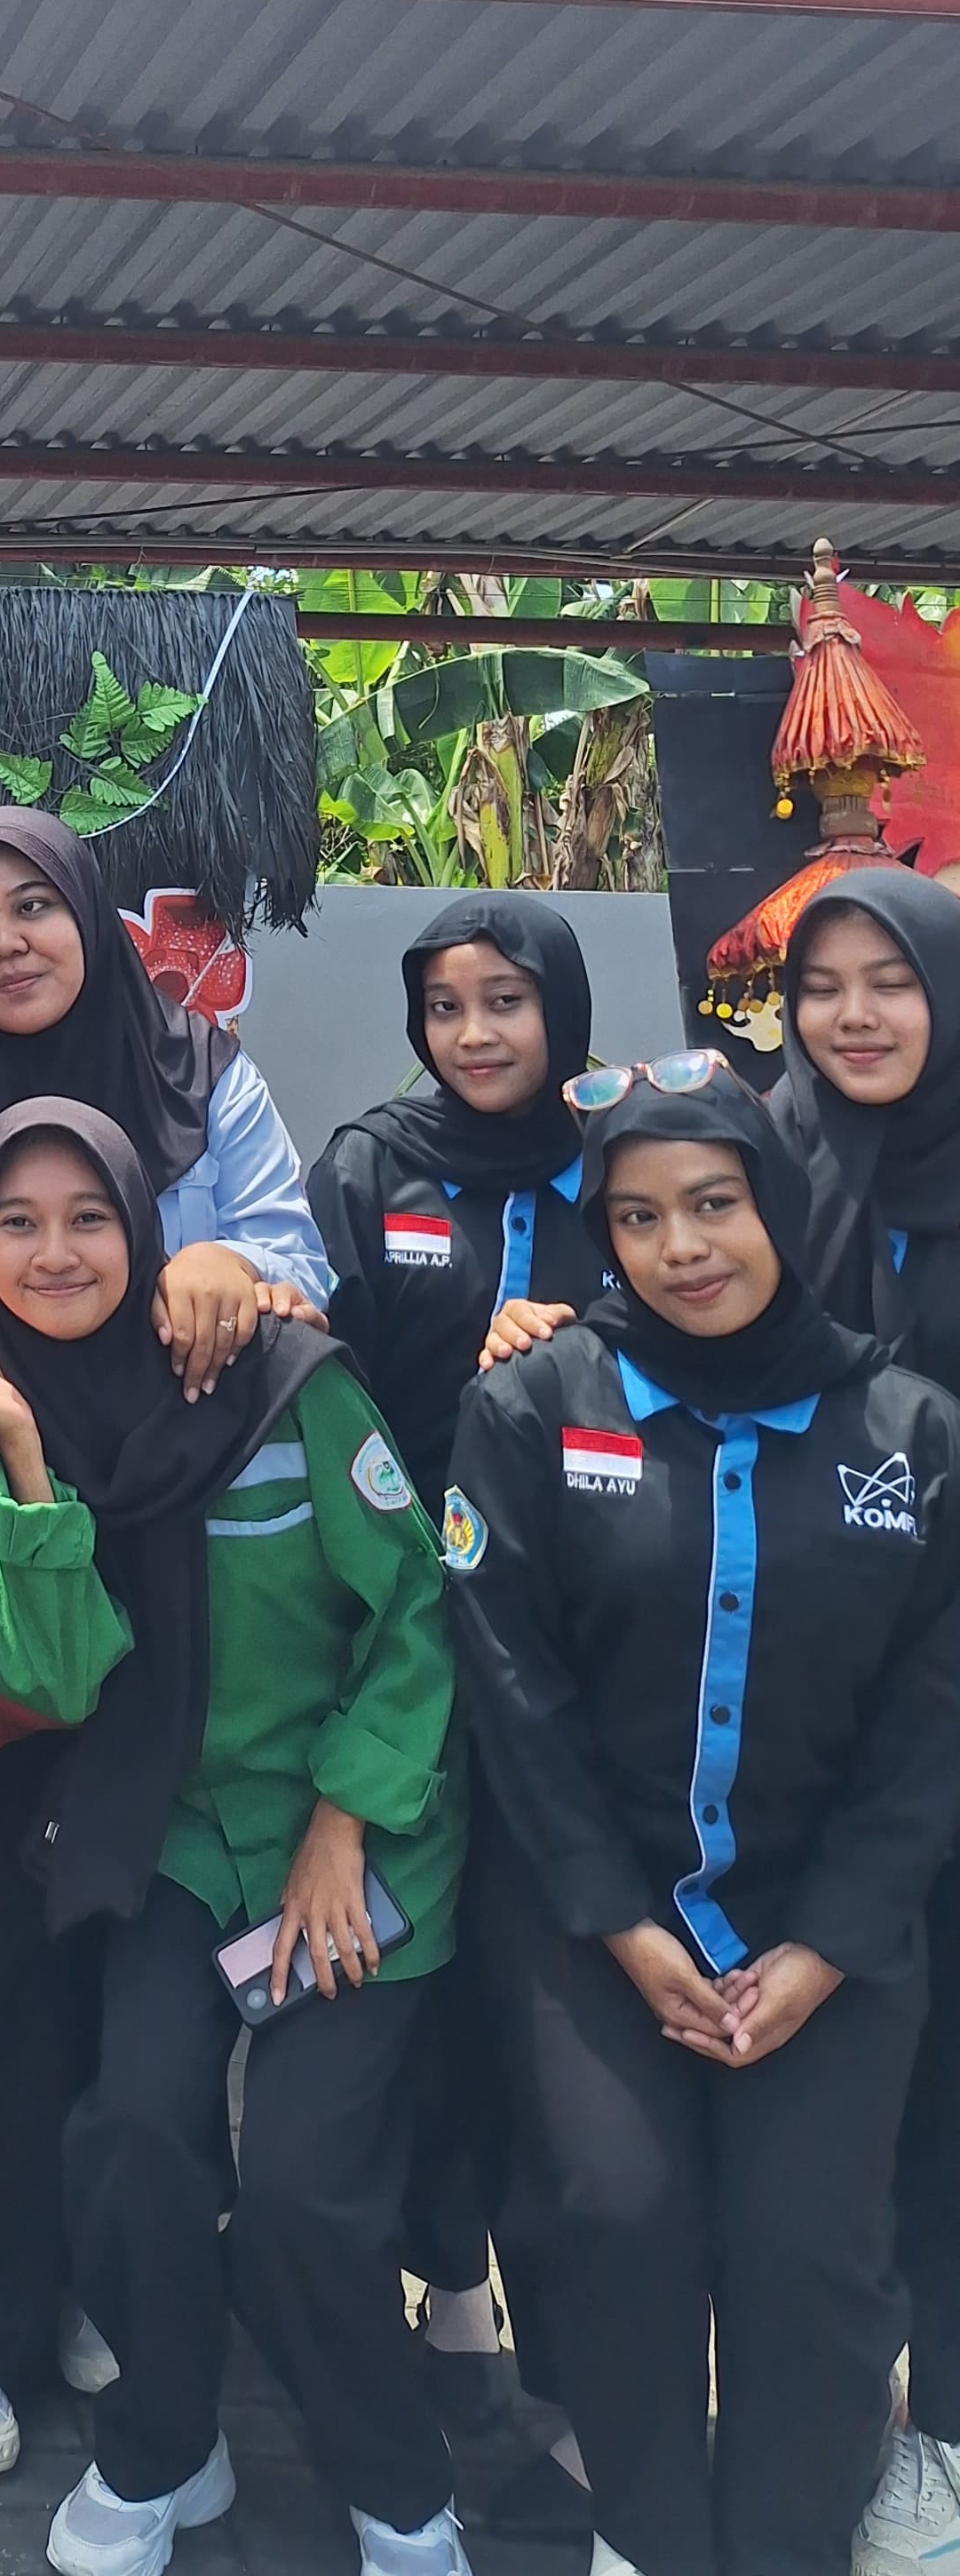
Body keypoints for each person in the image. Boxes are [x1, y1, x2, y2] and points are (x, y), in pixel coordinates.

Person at [0, 1101, 468, 2576]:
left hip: (358, 1842)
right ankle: (162, 2440)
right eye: (17, 1224)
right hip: (178, 1847)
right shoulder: (12, 1421)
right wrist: (23, 1465)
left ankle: (402, 2492)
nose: (56, 1253)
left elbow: (417, 1615)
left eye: (90, 1217)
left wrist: (344, 1822)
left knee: (305, 2194)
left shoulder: (282, 1376)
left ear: (145, 1227)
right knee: (131, 2135)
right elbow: (65, 1679)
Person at [0, 807, 327, 2473]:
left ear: (91, 916)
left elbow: (297, 1260)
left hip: (188, 1580)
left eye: (32, 905)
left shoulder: (201, 1071)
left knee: (146, 1949)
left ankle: (113, 2270)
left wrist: (234, 1259)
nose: (3, 944)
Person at [448, 1060, 960, 2576]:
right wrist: (620, 1922)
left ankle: (790, 2538)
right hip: (597, 1918)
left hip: (834, 1931)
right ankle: (649, 2533)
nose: (684, 1247)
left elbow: (932, 1724)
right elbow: (514, 1693)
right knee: (618, 2218)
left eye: (717, 1204)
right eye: (640, 1217)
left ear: (780, 1207)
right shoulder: (532, 1408)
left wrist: (825, 1946)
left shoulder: (912, 1434)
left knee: (809, 2254)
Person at [310, 896, 602, 2448]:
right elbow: (321, 1380)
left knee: (535, 1978)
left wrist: (579, 1352)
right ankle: (441, 2276)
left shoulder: (626, 1162)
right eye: (446, 1005)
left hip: (582, 1642)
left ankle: (566, 2337)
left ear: (565, 1006)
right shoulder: (374, 1167)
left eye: (507, 1001)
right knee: (412, 1974)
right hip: (405, 1637)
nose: (475, 1034)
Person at [774, 871, 960, 2576]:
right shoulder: (775, 1156)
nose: (853, 1016)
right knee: (841, 2072)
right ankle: (826, 2406)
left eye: (889, 982)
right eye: (822, 985)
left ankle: (943, 2433)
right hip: (805, 1689)